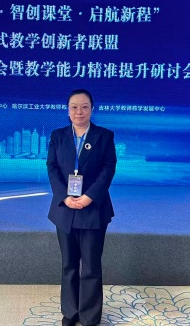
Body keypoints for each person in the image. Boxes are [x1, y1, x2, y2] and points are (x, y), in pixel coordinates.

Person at [47, 89, 117, 326]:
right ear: (68, 110)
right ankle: (70, 312)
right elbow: (52, 168)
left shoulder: (104, 136)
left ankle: (89, 316)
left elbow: (108, 169)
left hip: (93, 208)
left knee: (90, 265)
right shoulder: (58, 136)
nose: (79, 111)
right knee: (68, 264)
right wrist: (64, 196)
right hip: (65, 208)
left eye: (84, 107)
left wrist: (89, 197)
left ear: (91, 109)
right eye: (74, 107)